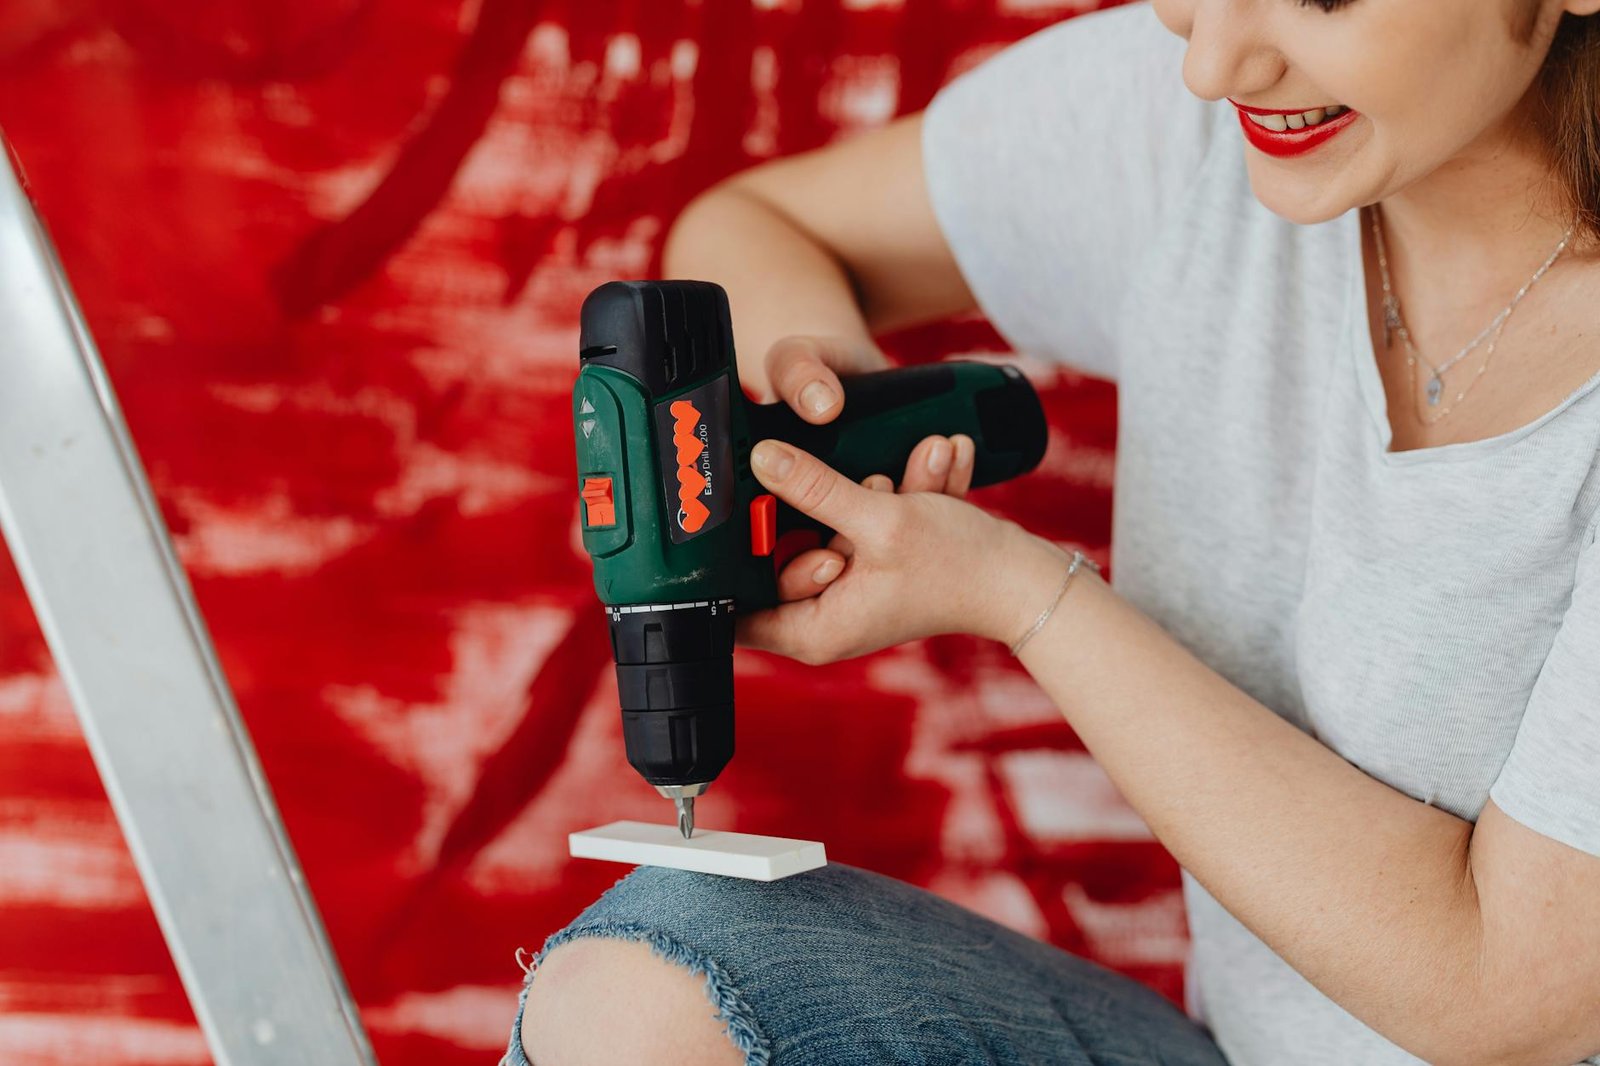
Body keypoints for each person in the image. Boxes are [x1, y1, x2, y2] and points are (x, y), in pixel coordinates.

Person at [507, 0, 1600, 1062]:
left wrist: (1024, 598)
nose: (1212, 65)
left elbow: (1506, 996)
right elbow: (754, 224)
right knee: (631, 1004)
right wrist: (820, 391)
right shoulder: (1201, 134)